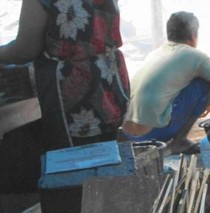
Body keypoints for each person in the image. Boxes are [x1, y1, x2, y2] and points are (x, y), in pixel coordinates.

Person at [0, 0, 130, 151]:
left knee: (74, 163)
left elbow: (25, 50)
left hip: (73, 90)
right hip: (110, 79)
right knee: (107, 158)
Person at [120, 11, 210, 155]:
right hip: (151, 134)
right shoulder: (196, 56)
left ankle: (177, 140)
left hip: (129, 134)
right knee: (203, 82)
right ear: (194, 35)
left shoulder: (155, 53)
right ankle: (180, 141)